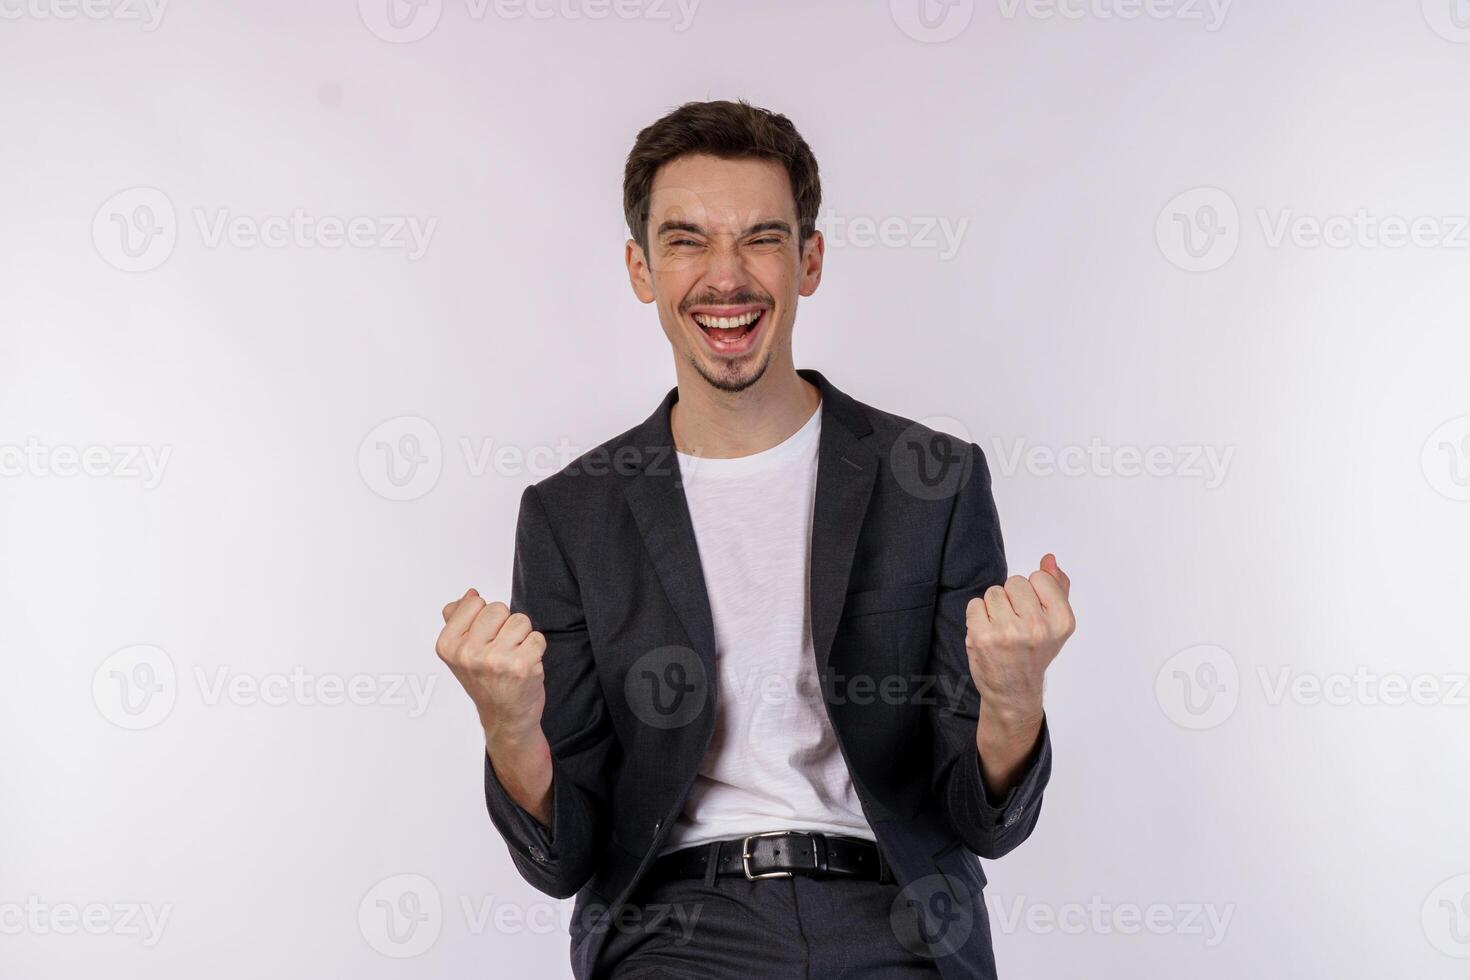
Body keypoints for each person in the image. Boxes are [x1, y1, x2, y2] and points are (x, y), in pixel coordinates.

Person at [434, 99, 1076, 980]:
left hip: (895, 919)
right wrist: (509, 728)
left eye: (762, 239)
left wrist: (1013, 705)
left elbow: (982, 822)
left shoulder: (932, 479)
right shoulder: (571, 515)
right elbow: (562, 858)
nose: (725, 277)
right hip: (676, 927)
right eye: (687, 240)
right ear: (641, 267)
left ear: (809, 260)